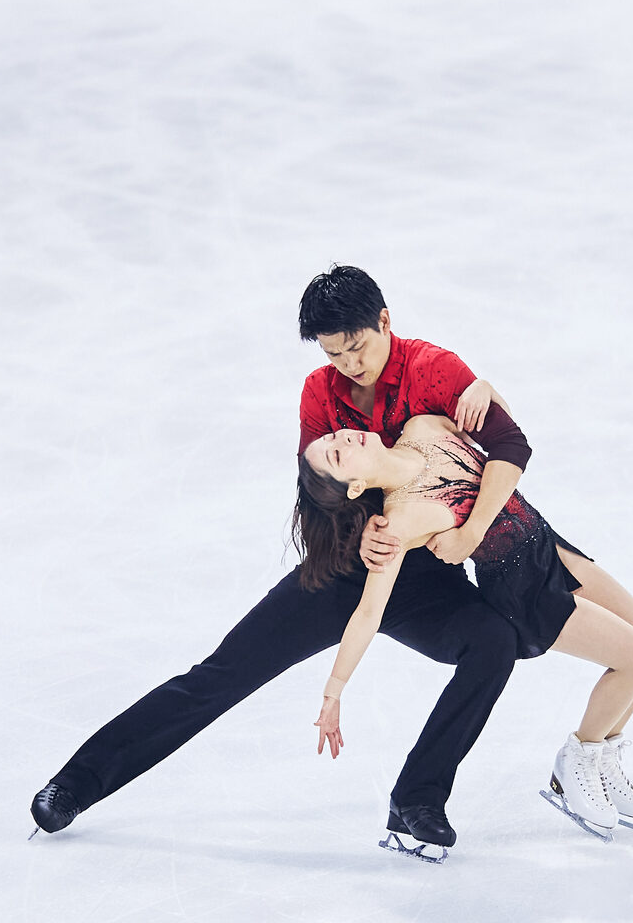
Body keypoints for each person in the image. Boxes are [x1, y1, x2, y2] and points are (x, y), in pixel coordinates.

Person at [30, 266, 535, 857]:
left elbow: (501, 442)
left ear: (385, 322)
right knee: (220, 677)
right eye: (334, 352)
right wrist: (365, 529)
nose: (349, 363)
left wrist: (487, 388)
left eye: (358, 346)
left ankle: (417, 799)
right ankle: (76, 783)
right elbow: (318, 489)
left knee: (494, 644)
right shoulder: (320, 393)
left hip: (425, 576)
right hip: (349, 568)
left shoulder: (431, 368)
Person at [296, 413, 633, 838]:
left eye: (334, 435)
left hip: (547, 544)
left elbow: (504, 432)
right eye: (338, 454)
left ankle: (602, 755)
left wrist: (484, 388)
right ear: (355, 488)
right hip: (523, 589)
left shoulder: (422, 428)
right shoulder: (399, 521)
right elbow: (368, 612)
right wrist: (333, 690)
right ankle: (579, 757)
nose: (344, 436)